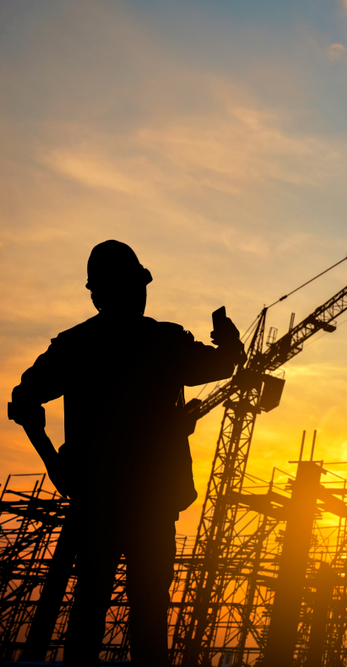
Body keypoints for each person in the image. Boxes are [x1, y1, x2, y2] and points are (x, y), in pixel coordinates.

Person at [8, 240, 244, 667]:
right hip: (151, 502)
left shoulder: (76, 345)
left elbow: (24, 400)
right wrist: (229, 341)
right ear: (133, 289)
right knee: (149, 609)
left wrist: (53, 461)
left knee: (89, 606)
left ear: (97, 294)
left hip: (96, 497)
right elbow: (222, 366)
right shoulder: (163, 343)